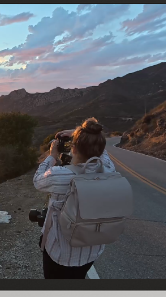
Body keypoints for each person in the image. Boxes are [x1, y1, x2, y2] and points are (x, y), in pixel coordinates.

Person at [32, 117, 115, 279]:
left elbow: (37, 180)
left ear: (74, 149)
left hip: (61, 252)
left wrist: (52, 156)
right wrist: (78, 135)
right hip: (92, 249)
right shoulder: (108, 169)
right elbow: (101, 152)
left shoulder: (61, 176)